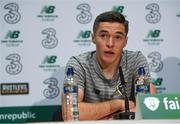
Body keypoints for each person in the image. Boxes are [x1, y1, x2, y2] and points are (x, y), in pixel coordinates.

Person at [61, 11, 156, 121]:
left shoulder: (136, 60)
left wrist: (106, 117)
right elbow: (70, 112)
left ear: (125, 41)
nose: (110, 44)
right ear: (93, 38)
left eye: (117, 37)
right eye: (104, 36)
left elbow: (149, 106)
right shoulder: (79, 64)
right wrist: (115, 105)